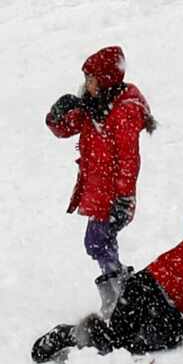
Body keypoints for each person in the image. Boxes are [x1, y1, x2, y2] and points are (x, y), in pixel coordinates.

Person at [30, 168, 183, 363]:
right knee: (142, 338)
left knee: (121, 336)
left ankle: (78, 335)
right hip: (152, 295)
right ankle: (68, 334)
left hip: (146, 287)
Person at [46, 46, 156, 315]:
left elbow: (129, 160)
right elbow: (65, 128)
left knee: (97, 241)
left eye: (91, 79)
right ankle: (120, 295)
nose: (87, 85)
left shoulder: (123, 111)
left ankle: (120, 296)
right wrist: (56, 116)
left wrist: (124, 196)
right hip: (98, 192)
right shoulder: (93, 106)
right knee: (99, 242)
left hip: (115, 196)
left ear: (105, 80)